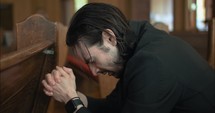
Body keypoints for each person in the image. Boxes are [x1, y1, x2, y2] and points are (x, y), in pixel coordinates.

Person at [42, 3, 215, 113]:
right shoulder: (137, 43)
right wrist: (75, 95)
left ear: (109, 38)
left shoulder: (151, 63)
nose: (94, 70)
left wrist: (72, 102)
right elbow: (117, 105)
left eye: (92, 60)